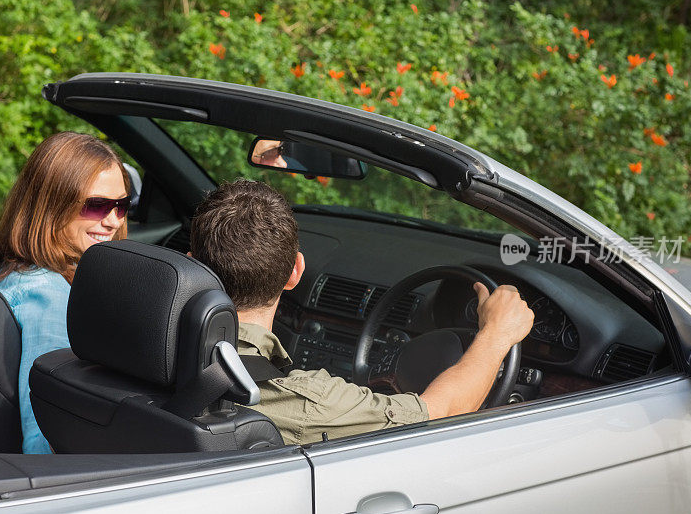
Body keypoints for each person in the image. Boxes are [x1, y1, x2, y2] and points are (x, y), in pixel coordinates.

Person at [190, 180, 534, 445]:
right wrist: (497, 334)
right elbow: (441, 413)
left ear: (192, 265)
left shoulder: (146, 340)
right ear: (296, 272)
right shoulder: (308, 403)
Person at [0, 132, 130, 454]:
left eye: (121, 205)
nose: (113, 221)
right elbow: (46, 430)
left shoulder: (15, 270)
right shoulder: (47, 296)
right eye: (96, 205)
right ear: (51, 204)